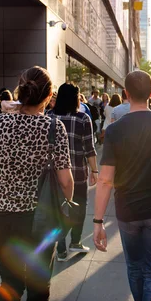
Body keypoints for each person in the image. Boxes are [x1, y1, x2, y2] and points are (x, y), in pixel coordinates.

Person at [0, 66, 75, 301]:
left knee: (11, 283)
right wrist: (67, 203)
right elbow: (65, 180)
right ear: (49, 95)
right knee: (39, 287)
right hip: (40, 219)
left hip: (2, 216)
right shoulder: (54, 128)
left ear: (21, 89)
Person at [94, 70, 151, 301]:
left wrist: (98, 221)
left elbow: (105, 179)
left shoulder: (114, 130)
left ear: (126, 94)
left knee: (134, 268)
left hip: (127, 210)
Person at [52, 83, 99, 261]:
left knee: (58, 210)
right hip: (78, 173)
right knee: (79, 207)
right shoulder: (82, 119)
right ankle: (76, 242)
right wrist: (95, 170)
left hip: (55, 174)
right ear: (76, 98)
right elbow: (89, 148)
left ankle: (61, 249)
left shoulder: (49, 117)